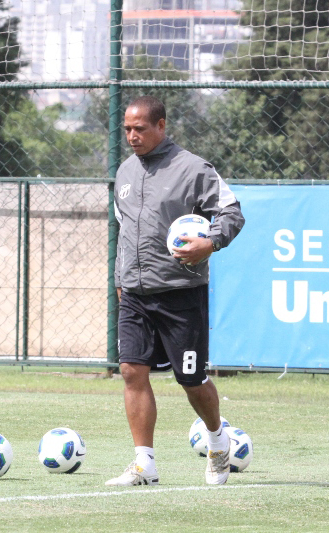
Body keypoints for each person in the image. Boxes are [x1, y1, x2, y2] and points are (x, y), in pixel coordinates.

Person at [106, 95, 245, 485]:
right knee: (132, 371)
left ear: (162, 126)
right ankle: (143, 463)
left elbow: (232, 212)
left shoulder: (193, 169)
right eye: (128, 129)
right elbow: (123, 231)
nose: (132, 136)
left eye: (140, 129)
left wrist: (211, 242)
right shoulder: (125, 173)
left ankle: (218, 441)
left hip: (180, 292)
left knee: (191, 379)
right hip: (134, 292)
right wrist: (121, 278)